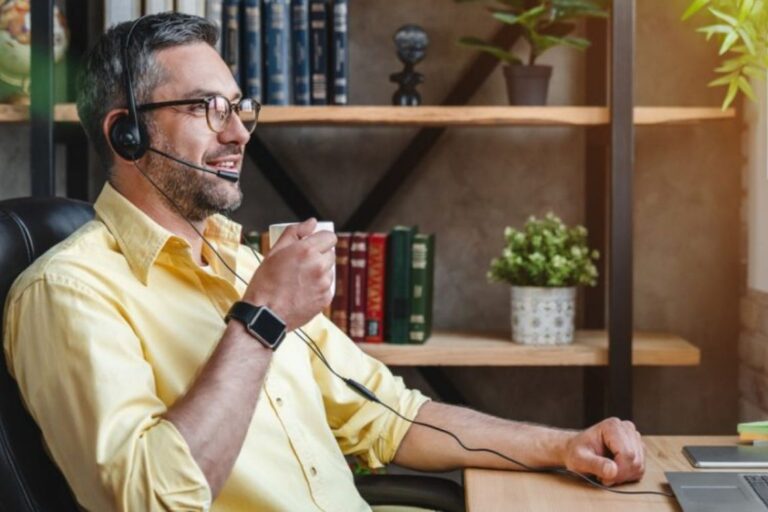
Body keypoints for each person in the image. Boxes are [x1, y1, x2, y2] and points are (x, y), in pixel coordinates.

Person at [3, 12, 644, 512]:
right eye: (206, 108)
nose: (238, 132)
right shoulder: (69, 292)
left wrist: (563, 446)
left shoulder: (238, 259)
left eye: (238, 106)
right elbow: (149, 499)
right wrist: (262, 319)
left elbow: (388, 415)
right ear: (127, 134)